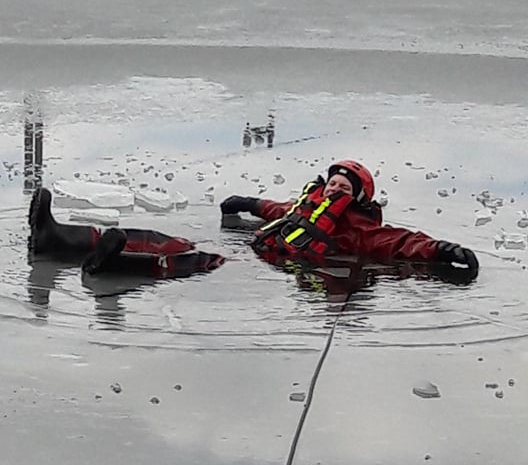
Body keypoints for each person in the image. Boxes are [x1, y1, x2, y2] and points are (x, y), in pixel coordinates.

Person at [220, 159, 479, 277]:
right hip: (268, 255)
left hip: (306, 266)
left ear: (358, 197)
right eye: (333, 184)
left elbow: (399, 241)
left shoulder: (359, 229)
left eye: (344, 188)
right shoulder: (312, 205)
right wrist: (250, 204)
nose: (334, 190)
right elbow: (282, 211)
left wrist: (441, 250)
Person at [28, 187, 225, 277]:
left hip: (239, 262)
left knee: (196, 259)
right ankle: (57, 237)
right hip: (240, 250)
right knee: (171, 244)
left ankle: (115, 262)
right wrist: (254, 205)